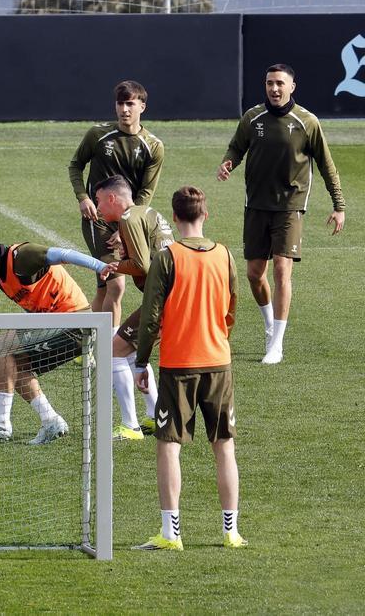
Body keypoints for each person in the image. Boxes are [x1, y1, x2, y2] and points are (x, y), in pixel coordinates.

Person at [131, 186, 244, 550]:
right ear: (205, 215)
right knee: (223, 446)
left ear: (175, 218)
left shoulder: (167, 258)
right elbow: (231, 309)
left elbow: (150, 318)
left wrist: (141, 360)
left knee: (169, 447)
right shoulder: (224, 255)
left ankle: (171, 533)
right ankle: (231, 532)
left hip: (179, 365)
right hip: (218, 362)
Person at [217, 63, 346, 364]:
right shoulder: (252, 118)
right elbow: (236, 148)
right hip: (256, 205)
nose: (274, 89)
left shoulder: (307, 122)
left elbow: (327, 165)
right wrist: (228, 162)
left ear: (292, 87)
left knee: (281, 269)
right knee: (253, 274)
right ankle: (269, 324)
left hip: (290, 205)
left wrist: (339, 205)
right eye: (269, 83)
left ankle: (277, 343)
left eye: (280, 83)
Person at [0, 227, 116, 445]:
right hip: (58, 326)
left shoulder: (21, 256)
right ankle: (50, 420)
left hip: (74, 323)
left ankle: (1, 421)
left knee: (3, 344)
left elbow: (63, 255)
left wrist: (100, 266)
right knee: (14, 364)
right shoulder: (3, 280)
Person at [67, 80, 164, 333]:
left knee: (104, 284)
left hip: (128, 221)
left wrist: (126, 228)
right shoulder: (98, 135)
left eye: (130, 103)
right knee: (117, 285)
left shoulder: (153, 146)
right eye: (120, 103)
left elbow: (146, 192)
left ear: (142, 106)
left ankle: (88, 343)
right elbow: (76, 165)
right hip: (96, 219)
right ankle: (109, 349)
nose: (124, 109)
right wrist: (83, 197)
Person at [94, 174, 172, 440]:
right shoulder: (147, 213)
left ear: (112, 198)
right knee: (128, 350)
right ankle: (153, 416)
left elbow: (142, 265)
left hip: (162, 299)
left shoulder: (128, 219)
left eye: (100, 201)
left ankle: (130, 426)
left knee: (113, 349)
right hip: (172, 296)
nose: (99, 208)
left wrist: (116, 266)